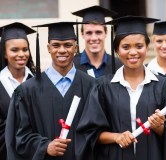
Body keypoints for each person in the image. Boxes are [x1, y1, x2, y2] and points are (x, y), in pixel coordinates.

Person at [76, 16, 166, 160]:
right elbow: (89, 132)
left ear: (147, 47)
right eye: (126, 47)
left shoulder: (164, 86)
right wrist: (116, 137)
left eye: (139, 46)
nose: (133, 52)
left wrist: (159, 127)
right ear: (117, 50)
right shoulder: (103, 87)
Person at [5, 22, 95, 159]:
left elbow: (98, 132)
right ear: (48, 48)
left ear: (76, 48)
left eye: (68, 45)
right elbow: (20, 138)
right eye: (56, 45)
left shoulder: (92, 86)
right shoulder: (26, 91)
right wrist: (44, 146)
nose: (62, 50)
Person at [0, 22, 36, 160]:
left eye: (25, 49)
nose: (21, 54)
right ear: (4, 53)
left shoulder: (38, 81)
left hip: (36, 153)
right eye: (14, 50)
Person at [72, 5, 122, 78]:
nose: (94, 38)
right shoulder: (72, 66)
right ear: (82, 34)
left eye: (98, 32)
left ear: (106, 33)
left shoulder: (119, 66)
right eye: (89, 33)